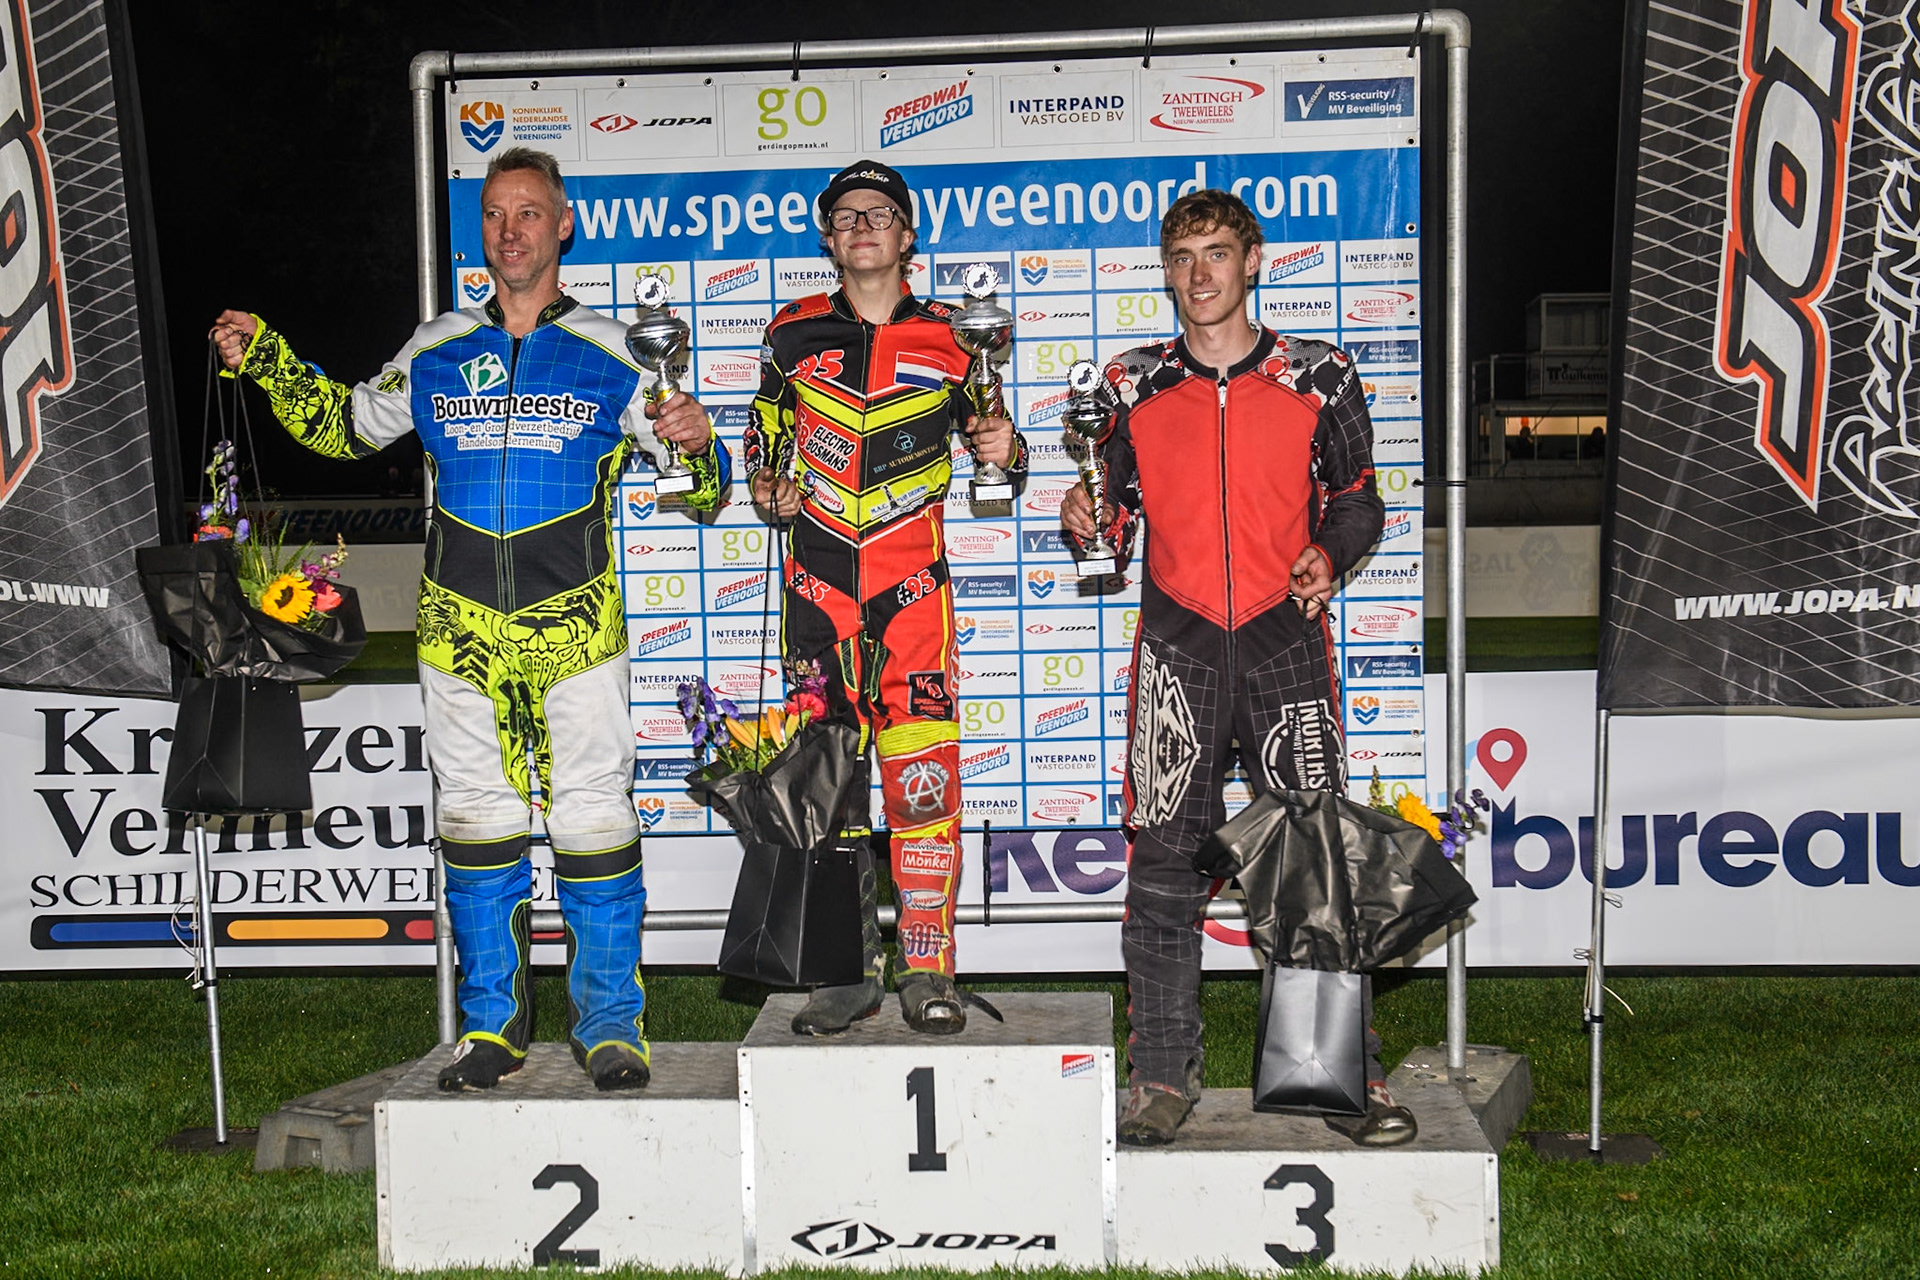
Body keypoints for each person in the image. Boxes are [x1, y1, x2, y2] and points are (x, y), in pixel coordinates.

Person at [211, 147, 729, 1092]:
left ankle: (611, 1025)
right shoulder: (438, 343)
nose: (510, 231)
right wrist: (273, 364)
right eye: (495, 215)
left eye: (529, 214)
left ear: (564, 226)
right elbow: (349, 427)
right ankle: (492, 1026)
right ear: (480, 229)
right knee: (476, 820)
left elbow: (702, 490)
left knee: (594, 818)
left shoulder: (623, 348)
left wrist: (698, 443)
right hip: (456, 628)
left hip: (576, 626)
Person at [1059, 189, 1410, 1147]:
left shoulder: (1319, 373)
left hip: (1282, 640)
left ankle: (1341, 1075)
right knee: (1165, 870)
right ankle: (1161, 1079)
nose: (1199, 275)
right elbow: (1114, 512)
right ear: (1166, 268)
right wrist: (1087, 519)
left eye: (1217, 254)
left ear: (1253, 261)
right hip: (1177, 645)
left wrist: (1330, 556)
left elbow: (1358, 500)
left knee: (1313, 863)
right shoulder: (1131, 384)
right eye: (1181, 257)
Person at [743, 159, 1024, 1035]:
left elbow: (1001, 458)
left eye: (880, 214)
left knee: (922, 776)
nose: (862, 225)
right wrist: (767, 489)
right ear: (828, 238)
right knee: (823, 783)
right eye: (845, 215)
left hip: (910, 588)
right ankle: (842, 971)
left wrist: (1004, 447)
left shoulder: (958, 334)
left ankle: (929, 968)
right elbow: (764, 446)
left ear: (908, 235)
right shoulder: (789, 331)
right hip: (816, 586)